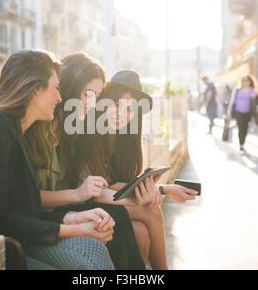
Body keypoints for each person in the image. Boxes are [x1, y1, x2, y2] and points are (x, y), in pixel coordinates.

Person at [0, 50, 116, 270]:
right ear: (36, 89)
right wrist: (77, 228)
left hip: (7, 242)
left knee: (94, 250)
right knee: (89, 258)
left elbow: (22, 207)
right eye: (55, 88)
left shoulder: (14, 129)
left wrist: (74, 218)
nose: (59, 98)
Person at [73, 70, 199, 270]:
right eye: (115, 105)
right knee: (151, 211)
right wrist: (153, 194)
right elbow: (92, 191)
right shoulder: (89, 134)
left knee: (140, 232)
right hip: (81, 205)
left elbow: (117, 183)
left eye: (130, 110)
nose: (121, 115)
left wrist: (162, 189)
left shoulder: (126, 141)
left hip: (110, 202)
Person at [32, 52, 147, 270]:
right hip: (44, 217)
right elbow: (25, 199)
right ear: (69, 88)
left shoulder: (71, 130)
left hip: (65, 207)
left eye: (96, 96)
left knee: (122, 220)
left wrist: (154, 190)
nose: (93, 104)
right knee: (117, 220)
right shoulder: (42, 129)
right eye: (88, 95)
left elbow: (105, 183)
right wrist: (78, 198)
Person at [226, 75, 258, 153]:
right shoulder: (237, 90)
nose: (246, 82)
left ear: (250, 81)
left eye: (247, 80)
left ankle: (242, 143)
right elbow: (232, 100)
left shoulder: (252, 90)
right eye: (244, 80)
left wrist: (255, 96)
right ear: (242, 82)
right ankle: (241, 145)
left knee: (245, 129)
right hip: (238, 112)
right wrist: (229, 111)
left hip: (248, 113)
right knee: (240, 127)